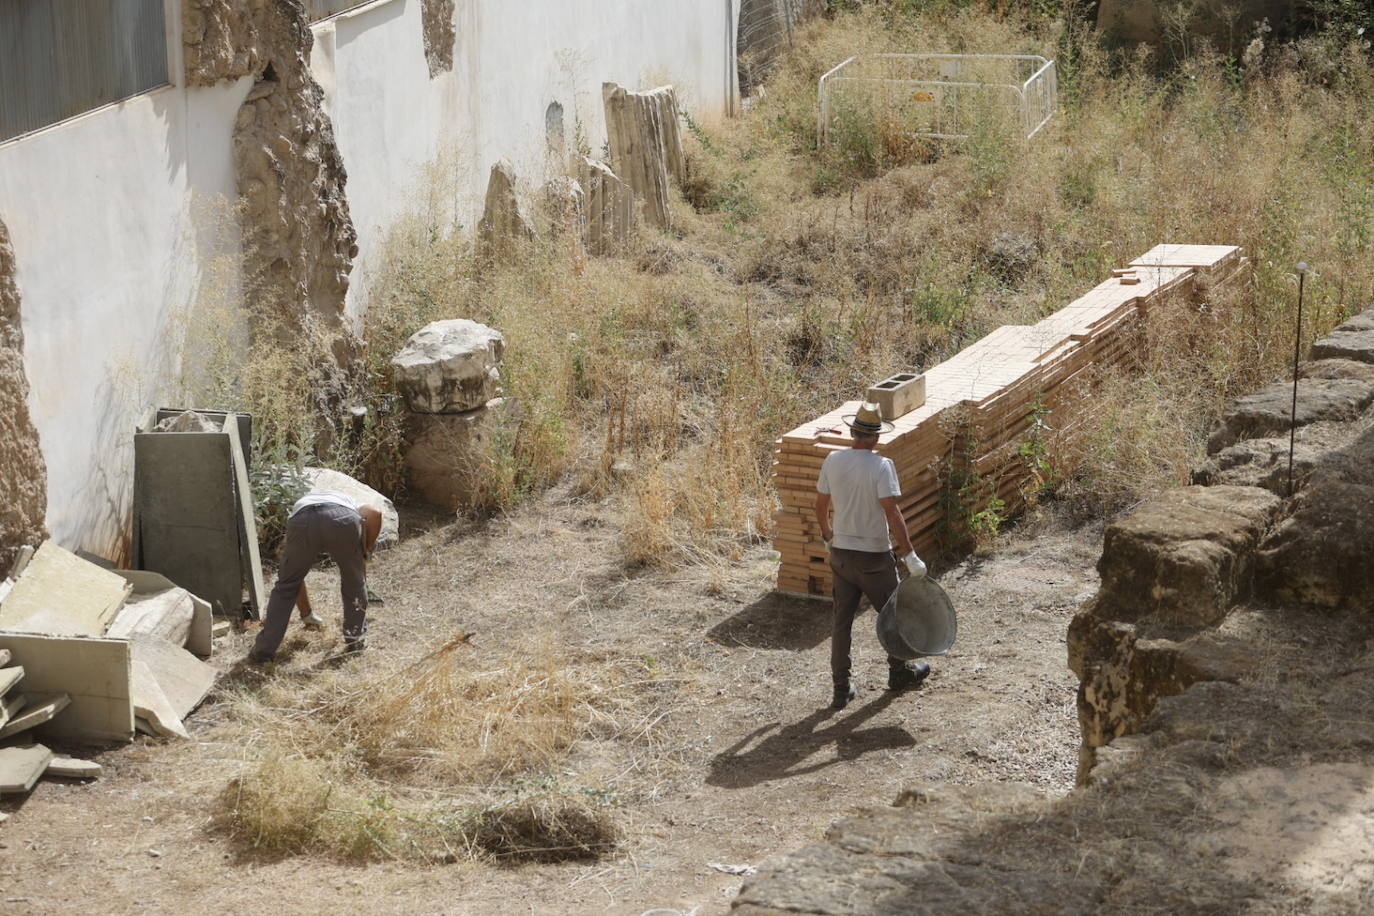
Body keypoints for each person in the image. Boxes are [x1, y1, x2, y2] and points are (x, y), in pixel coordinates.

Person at [815, 400, 930, 710]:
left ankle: (841, 688)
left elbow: (820, 506)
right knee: (894, 616)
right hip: (874, 559)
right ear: (877, 437)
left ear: (852, 432)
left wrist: (828, 536)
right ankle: (899, 671)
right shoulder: (881, 466)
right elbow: (892, 513)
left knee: (841, 623)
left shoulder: (832, 460)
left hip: (841, 555)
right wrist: (910, 555)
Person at [249, 490, 383, 663]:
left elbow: (296, 581)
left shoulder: (303, 502)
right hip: (343, 520)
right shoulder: (352, 502)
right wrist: (364, 552)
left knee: (287, 584)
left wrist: (307, 615)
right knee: (354, 583)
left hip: (303, 521)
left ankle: (263, 652)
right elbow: (376, 514)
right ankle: (355, 642)